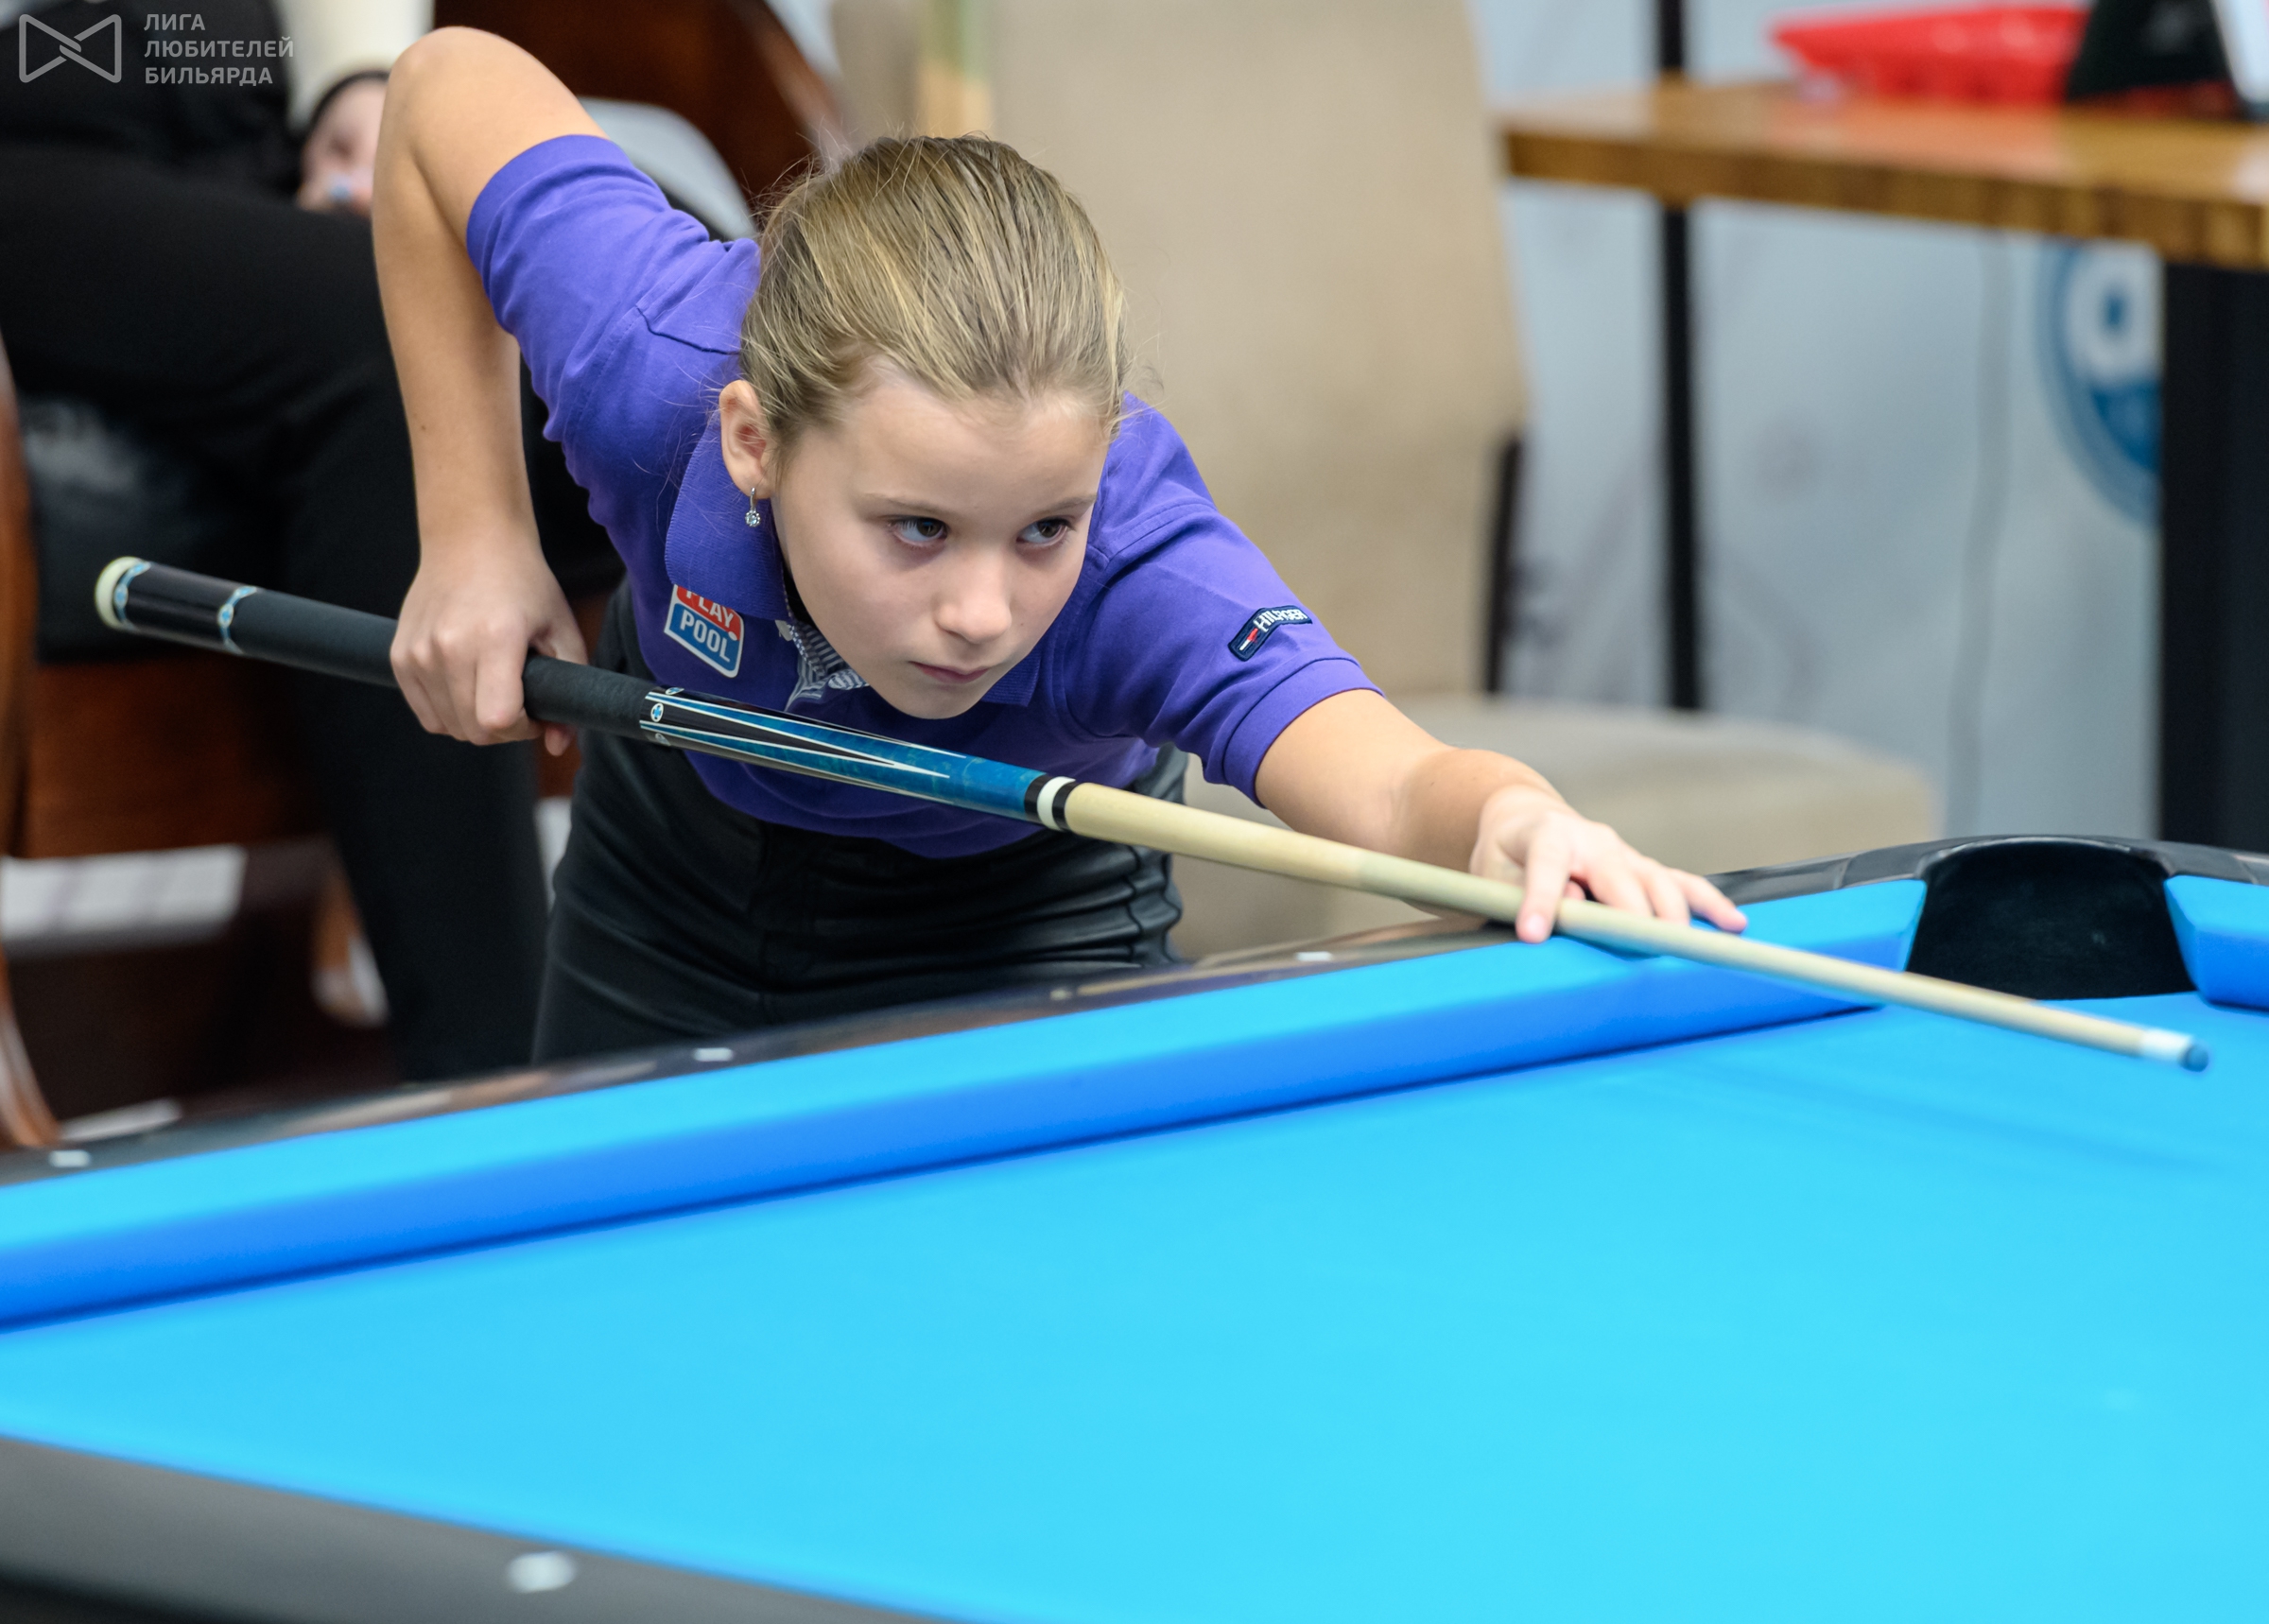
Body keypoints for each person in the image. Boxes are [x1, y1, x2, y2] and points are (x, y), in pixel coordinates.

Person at [376, 27, 1747, 1063]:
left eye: (1044, 526)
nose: (983, 609)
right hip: (674, 863)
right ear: (756, 442)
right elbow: (443, 84)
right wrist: (475, 533)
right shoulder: (655, 365)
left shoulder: (1134, 567)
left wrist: (1514, 820)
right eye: (918, 527)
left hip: (1024, 906)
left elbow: (1394, 787)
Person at [0, 0, 578, 1080]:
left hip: (240, 84)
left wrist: (358, 89)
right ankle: (502, 1080)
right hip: (27, 125)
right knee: (385, 334)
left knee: (620, 279)